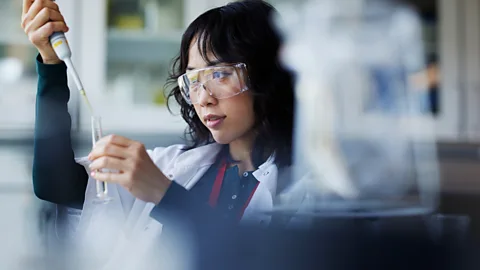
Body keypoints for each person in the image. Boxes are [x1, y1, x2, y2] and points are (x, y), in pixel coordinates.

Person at [22, 0, 311, 267]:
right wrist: (51, 63)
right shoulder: (171, 166)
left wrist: (165, 194)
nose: (204, 98)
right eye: (194, 79)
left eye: (220, 74)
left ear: (268, 75)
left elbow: (250, 256)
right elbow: (52, 183)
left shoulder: (305, 191)